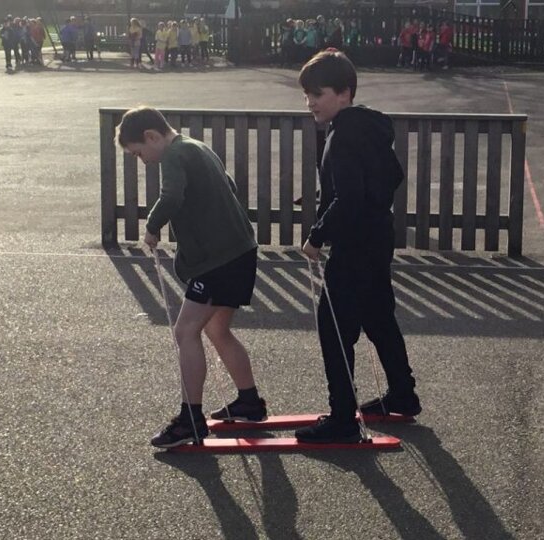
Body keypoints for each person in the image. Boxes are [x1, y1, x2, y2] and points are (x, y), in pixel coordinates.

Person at [115, 107, 265, 448]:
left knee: (185, 331)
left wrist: (152, 227)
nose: (143, 161)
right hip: (240, 251)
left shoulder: (174, 155)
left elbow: (171, 196)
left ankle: (191, 420)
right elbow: (229, 185)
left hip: (219, 260)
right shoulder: (197, 146)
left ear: (152, 136)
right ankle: (249, 402)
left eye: (139, 153)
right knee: (216, 329)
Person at [294, 50, 421, 444]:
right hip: (378, 235)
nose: (310, 102)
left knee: (334, 328)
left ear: (344, 93)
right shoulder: (369, 127)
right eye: (307, 94)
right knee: (379, 317)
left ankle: (342, 418)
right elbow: (391, 176)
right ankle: (402, 394)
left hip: (355, 244)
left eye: (318, 93)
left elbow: (349, 197)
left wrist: (317, 235)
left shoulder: (343, 134)